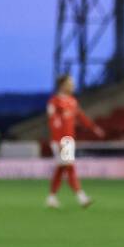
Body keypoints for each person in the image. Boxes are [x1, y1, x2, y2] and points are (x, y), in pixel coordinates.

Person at [45, 74, 103, 208]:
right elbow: (54, 122)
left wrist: (94, 128)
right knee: (70, 168)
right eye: (70, 82)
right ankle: (82, 198)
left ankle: (51, 198)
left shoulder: (72, 101)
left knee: (61, 169)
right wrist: (58, 140)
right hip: (61, 141)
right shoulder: (54, 102)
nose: (73, 85)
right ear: (62, 85)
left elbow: (81, 117)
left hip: (69, 140)